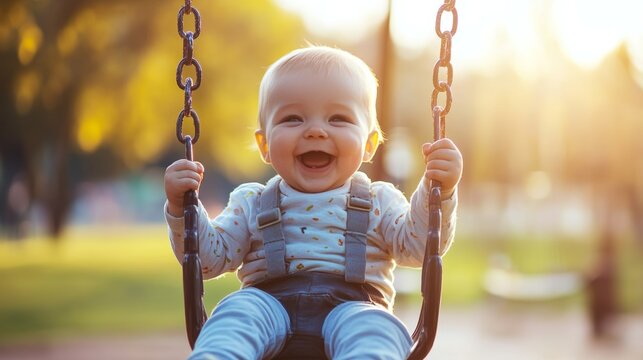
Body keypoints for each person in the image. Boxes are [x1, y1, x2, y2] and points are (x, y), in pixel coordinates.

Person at [164, 46, 463, 359]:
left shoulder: (380, 200)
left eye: (339, 118)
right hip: (267, 305)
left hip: (355, 309)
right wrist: (182, 205)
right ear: (264, 144)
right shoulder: (252, 201)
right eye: (293, 118)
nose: (316, 131)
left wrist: (438, 189)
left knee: (377, 329)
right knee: (236, 315)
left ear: (369, 144)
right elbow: (210, 259)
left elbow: (417, 248)